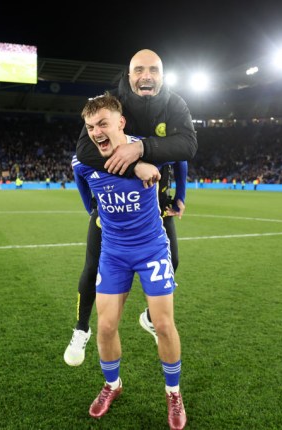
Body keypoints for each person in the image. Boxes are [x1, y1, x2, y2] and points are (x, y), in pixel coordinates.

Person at [64, 49, 196, 367]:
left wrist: (143, 151)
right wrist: (133, 166)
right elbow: (83, 150)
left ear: (162, 75)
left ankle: (151, 318)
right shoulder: (112, 101)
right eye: (138, 70)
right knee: (91, 266)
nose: (146, 76)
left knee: (172, 260)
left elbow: (187, 147)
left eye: (152, 70)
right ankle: (81, 329)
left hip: (153, 198)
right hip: (110, 203)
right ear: (128, 74)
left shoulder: (175, 104)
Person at [73, 93, 186, 429]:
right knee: (106, 326)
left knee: (164, 325)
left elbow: (181, 157)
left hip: (151, 248)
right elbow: (83, 187)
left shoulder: (148, 148)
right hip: (113, 252)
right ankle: (112, 385)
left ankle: (173, 393)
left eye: (102, 123)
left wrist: (180, 195)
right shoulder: (84, 162)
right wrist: (94, 212)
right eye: (90, 126)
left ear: (120, 123)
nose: (96, 132)